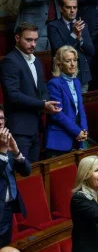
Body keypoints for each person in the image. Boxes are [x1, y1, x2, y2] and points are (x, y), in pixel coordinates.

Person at [0, 23, 60, 162]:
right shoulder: (10, 61)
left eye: (35, 40)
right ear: (17, 38)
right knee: (21, 173)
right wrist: (42, 105)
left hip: (35, 126)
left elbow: (42, 87)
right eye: (28, 40)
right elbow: (13, 95)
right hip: (19, 128)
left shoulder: (36, 61)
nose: (33, 44)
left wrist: (46, 101)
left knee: (33, 171)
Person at [46, 45, 89, 157]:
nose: (72, 64)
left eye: (74, 60)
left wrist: (84, 130)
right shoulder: (54, 83)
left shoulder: (77, 82)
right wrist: (76, 131)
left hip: (78, 137)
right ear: (59, 64)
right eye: (68, 61)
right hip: (60, 139)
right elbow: (57, 114)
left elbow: (81, 109)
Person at [47, 0, 94, 93]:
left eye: (75, 7)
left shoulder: (83, 25)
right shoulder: (53, 26)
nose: (72, 10)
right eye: (68, 7)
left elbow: (91, 51)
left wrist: (80, 38)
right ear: (61, 8)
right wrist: (73, 34)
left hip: (82, 77)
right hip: (63, 77)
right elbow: (60, 51)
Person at [0, 107, 32, 247]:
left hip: (7, 208)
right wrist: (2, 152)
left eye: (1, 118)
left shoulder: (7, 141)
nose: (0, 122)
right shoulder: (3, 145)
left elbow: (26, 171)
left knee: (5, 250)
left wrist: (17, 152)